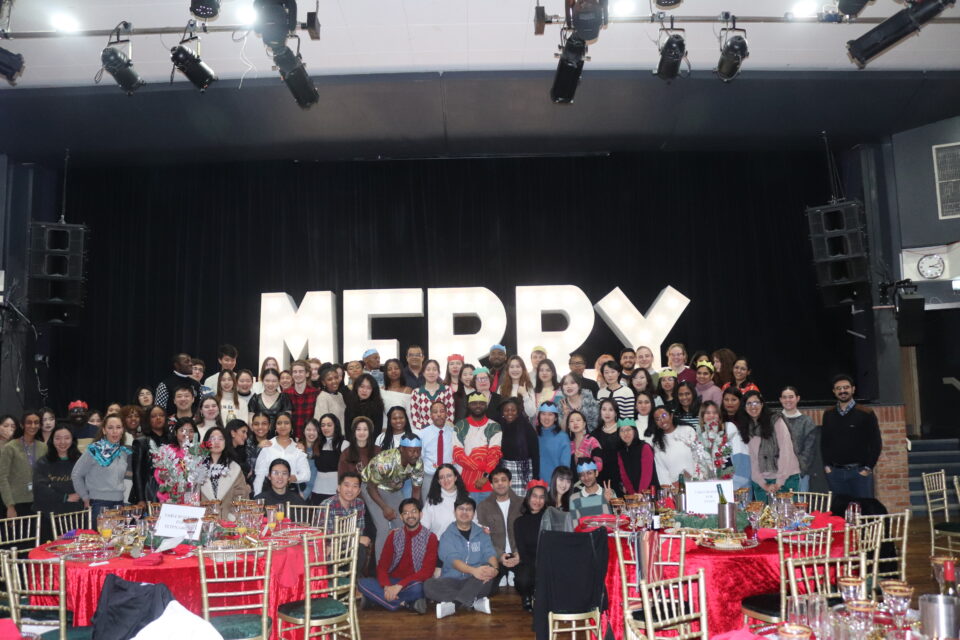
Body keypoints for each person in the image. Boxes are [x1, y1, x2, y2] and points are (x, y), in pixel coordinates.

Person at [359, 497, 437, 614]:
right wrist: (387, 586)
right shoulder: (394, 535)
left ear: (420, 515)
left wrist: (400, 586)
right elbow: (382, 566)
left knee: (420, 589)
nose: (410, 515)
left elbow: (427, 571)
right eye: (405, 513)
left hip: (413, 582)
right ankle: (404, 603)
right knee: (362, 583)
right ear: (401, 517)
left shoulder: (430, 537)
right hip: (392, 581)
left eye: (413, 512)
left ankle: (375, 599)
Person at [425, 496, 498, 618]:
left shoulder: (482, 533)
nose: (464, 512)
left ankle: (455, 605)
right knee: (429, 585)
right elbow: (453, 561)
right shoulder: (447, 535)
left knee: (489, 577)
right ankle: (473, 601)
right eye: (461, 509)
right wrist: (473, 571)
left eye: (468, 509)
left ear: (473, 513)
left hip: (475, 580)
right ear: (455, 512)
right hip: (452, 580)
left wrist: (495, 570)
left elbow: (490, 554)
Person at [362, 435, 425, 557]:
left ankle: (399, 563)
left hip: (392, 488)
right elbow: (371, 487)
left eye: (418, 450)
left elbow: (416, 490)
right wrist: (385, 507)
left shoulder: (418, 463)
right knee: (383, 527)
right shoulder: (384, 461)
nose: (416, 454)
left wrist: (413, 511)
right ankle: (381, 568)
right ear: (401, 449)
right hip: (371, 487)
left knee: (406, 522)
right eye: (412, 451)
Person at [821, 374, 882, 499]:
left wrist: (867, 468)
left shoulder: (866, 413)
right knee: (840, 514)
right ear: (834, 391)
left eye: (846, 387)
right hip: (835, 474)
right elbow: (824, 443)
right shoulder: (828, 414)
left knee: (865, 513)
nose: (842, 391)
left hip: (859, 473)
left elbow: (876, 443)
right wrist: (827, 466)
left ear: (853, 389)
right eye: (838, 388)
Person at [743, 390, 801, 503]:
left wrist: (779, 482)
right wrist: (762, 483)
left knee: (786, 517)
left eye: (756, 403)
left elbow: (786, 451)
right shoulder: (746, 426)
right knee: (764, 518)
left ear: (762, 404)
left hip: (786, 478)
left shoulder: (776, 420)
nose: (752, 406)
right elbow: (752, 459)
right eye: (748, 403)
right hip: (762, 481)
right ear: (744, 407)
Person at [71, 414, 131, 519]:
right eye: (110, 428)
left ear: (123, 430)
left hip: (119, 504)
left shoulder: (123, 452)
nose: (115, 431)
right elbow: (76, 474)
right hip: (98, 504)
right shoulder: (94, 449)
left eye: (118, 427)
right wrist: (84, 497)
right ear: (104, 430)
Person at [33, 425, 84, 542]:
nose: (62, 442)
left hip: (75, 516)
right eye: (58, 438)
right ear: (52, 440)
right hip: (48, 516)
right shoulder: (43, 462)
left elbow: (88, 483)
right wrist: (66, 497)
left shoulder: (81, 460)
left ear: (73, 440)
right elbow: (40, 489)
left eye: (67, 438)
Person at [476, 467, 523, 588]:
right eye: (496, 481)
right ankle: (502, 571)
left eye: (503, 480)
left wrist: (518, 553)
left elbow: (527, 534)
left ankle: (512, 570)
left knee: (525, 583)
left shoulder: (522, 504)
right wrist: (499, 555)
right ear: (491, 485)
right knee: (487, 586)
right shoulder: (483, 506)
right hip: (495, 556)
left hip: (518, 555)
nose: (500, 483)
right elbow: (483, 538)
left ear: (510, 482)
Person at [453, 393, 503, 502]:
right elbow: (458, 455)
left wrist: (485, 476)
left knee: (487, 518)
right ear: (468, 405)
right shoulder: (460, 426)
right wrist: (483, 465)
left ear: (486, 405)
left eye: (481, 403)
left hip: (488, 484)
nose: (478, 406)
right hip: (464, 484)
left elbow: (494, 454)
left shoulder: (494, 426)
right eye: (474, 403)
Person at [320, 472, 371, 570]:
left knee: (360, 547)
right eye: (346, 485)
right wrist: (356, 538)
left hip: (348, 546)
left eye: (355, 486)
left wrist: (356, 538)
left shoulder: (359, 504)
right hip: (329, 549)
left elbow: (359, 530)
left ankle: (354, 581)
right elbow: (326, 537)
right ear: (339, 488)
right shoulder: (327, 505)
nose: (350, 490)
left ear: (359, 490)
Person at [0, 411, 46, 517]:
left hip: (39, 501)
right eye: (29, 422)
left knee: (39, 533)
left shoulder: (43, 447)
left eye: (36, 422)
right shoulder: (10, 447)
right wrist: (10, 506)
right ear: (22, 425)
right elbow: (2, 478)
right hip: (16, 502)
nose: (33, 426)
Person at [252, 412, 310, 495]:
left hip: (291, 493)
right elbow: (259, 476)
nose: (283, 426)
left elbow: (306, 475)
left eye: (286, 423)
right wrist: (257, 497)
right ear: (275, 426)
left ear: (291, 426)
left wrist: (293, 478)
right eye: (279, 423)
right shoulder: (268, 446)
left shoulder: (297, 448)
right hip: (268, 493)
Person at [200, 426, 250, 520]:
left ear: (226, 442)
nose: (216, 442)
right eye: (212, 438)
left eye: (221, 439)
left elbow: (241, 495)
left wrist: (232, 517)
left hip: (228, 523)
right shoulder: (197, 466)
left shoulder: (234, 468)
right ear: (206, 442)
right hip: (203, 521)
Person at [513, 480, 548, 611]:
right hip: (529, 561)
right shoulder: (519, 522)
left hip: (547, 559)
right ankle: (527, 594)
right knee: (523, 580)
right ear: (528, 497)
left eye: (541, 497)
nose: (537, 500)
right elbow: (522, 550)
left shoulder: (548, 518)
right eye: (534, 496)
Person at [778, 386, 817, 493]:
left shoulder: (807, 422)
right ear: (780, 400)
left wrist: (799, 471)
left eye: (791, 397)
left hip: (800, 474)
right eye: (785, 397)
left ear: (797, 398)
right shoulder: (773, 420)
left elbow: (809, 451)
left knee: (799, 507)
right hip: (777, 474)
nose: (788, 400)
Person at [497, 398, 540, 496]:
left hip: (524, 471)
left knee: (523, 503)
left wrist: (535, 478)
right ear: (502, 412)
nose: (510, 413)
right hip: (505, 470)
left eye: (513, 410)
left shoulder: (527, 428)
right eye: (506, 410)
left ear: (517, 412)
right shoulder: (498, 427)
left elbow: (535, 455)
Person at [129, 405, 169, 506]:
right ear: (148, 420)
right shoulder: (141, 441)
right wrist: (140, 498)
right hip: (148, 492)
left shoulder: (171, 439)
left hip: (169, 491)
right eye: (154, 416)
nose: (158, 418)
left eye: (161, 415)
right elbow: (137, 472)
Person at [650, 407, 699, 484]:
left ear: (671, 416)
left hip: (696, 480)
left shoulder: (688, 430)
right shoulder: (657, 443)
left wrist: (693, 475)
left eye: (664, 415)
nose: (662, 420)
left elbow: (699, 455)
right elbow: (661, 470)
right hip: (674, 486)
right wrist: (670, 486)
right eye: (657, 419)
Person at [420, 463, 469, 537]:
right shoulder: (432, 500)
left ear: (455, 477)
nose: (446, 480)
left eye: (449, 476)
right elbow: (423, 526)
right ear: (439, 481)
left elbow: (474, 524)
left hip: (461, 544)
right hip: (438, 544)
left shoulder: (467, 498)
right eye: (442, 477)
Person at [311, 414, 349, 504]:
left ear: (336, 426)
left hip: (336, 490)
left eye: (329, 425)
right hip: (317, 490)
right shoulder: (316, 444)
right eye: (323, 425)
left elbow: (348, 470)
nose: (325, 428)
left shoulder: (344, 444)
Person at [418, 400, 456, 491]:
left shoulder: (454, 433)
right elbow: (420, 458)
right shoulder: (422, 434)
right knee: (429, 503)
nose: (439, 414)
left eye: (442, 411)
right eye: (435, 412)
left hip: (449, 477)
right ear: (431, 415)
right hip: (430, 476)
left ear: (446, 414)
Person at [615, 419, 657, 495]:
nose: (625, 433)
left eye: (628, 429)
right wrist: (633, 494)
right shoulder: (620, 452)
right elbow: (624, 476)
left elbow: (646, 475)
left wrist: (641, 493)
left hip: (649, 493)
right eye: (621, 430)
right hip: (633, 496)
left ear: (634, 431)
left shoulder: (645, 447)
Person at [409, 359, 456, 428]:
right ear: (423, 373)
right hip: (424, 433)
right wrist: (429, 430)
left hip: (443, 431)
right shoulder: (416, 393)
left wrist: (439, 429)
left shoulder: (446, 390)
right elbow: (415, 420)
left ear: (439, 373)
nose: (431, 372)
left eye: (434, 369)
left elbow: (450, 414)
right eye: (428, 369)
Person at [284, 360, 319, 439]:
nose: (297, 374)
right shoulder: (285, 394)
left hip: (310, 439)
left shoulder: (316, 394)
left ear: (307, 374)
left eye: (301, 371)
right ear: (292, 374)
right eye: (295, 372)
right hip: (290, 439)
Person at [345, 373, 385, 438]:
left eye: (369, 388)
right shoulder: (350, 404)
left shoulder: (377, 406)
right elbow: (348, 430)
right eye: (362, 386)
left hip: (371, 443)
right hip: (352, 443)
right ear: (356, 387)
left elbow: (377, 430)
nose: (364, 390)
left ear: (373, 390)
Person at [536, 403, 567, 486]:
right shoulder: (535, 435)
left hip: (555, 485)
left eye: (550, 414)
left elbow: (565, 466)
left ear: (556, 417)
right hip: (536, 484)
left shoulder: (562, 437)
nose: (546, 418)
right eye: (543, 414)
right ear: (539, 416)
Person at [499, 355, 537, 420]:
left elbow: (531, 413)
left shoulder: (528, 386)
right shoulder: (502, 388)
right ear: (508, 370)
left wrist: (525, 394)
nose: (515, 370)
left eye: (518, 366)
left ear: (523, 369)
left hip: (523, 428)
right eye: (512, 367)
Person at [313, 366, 347, 435]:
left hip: (341, 436)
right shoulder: (323, 397)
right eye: (329, 379)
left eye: (336, 378)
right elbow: (321, 421)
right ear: (324, 382)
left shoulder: (340, 395)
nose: (334, 381)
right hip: (330, 438)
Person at [568, 411, 603, 476]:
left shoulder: (592, 441)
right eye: (571, 421)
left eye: (578, 420)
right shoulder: (568, 444)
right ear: (568, 426)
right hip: (573, 482)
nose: (575, 423)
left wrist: (584, 457)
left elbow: (599, 466)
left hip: (590, 480)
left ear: (584, 424)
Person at [443, 354, 467, 422]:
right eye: (452, 364)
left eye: (458, 363)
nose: (455, 366)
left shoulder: (468, 386)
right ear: (448, 367)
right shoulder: (442, 387)